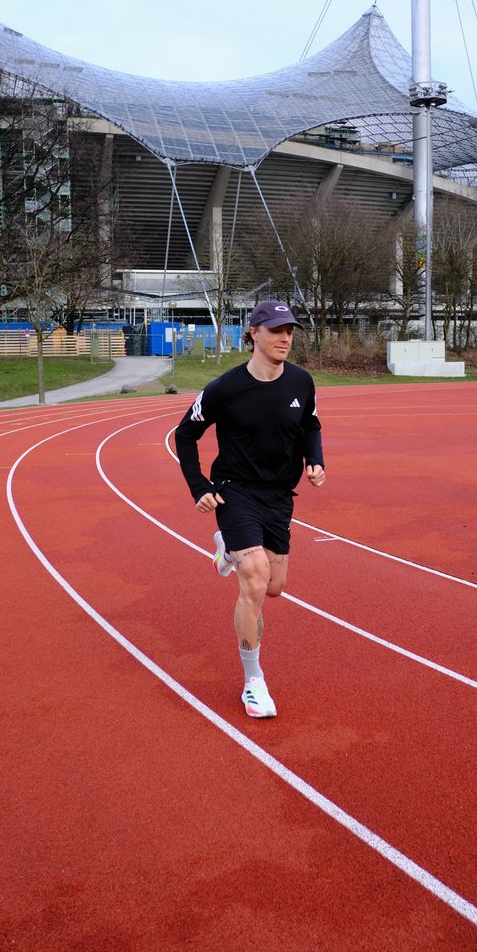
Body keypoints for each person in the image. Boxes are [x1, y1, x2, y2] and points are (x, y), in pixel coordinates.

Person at [174, 300, 325, 718]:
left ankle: (228, 548)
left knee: (275, 587)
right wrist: (198, 486)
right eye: (276, 330)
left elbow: (310, 424)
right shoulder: (225, 388)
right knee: (255, 580)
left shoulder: (301, 381)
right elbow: (184, 435)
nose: (285, 338)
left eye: (290, 331)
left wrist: (315, 460)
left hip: (279, 497)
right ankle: (253, 681)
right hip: (235, 491)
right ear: (253, 333)